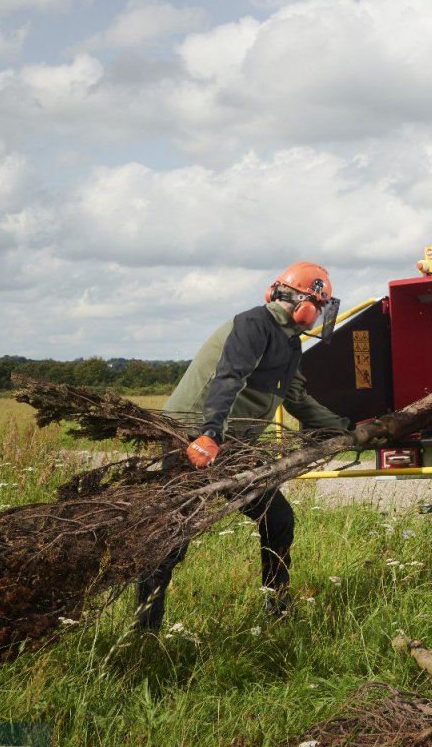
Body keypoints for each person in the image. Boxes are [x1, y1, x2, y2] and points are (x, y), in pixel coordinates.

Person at [135, 261, 351, 630]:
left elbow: (296, 398)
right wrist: (210, 435)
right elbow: (227, 379)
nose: (319, 315)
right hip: (192, 440)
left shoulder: (288, 342)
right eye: (321, 304)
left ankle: (277, 608)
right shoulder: (253, 325)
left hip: (232, 447)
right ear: (304, 301)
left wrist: (348, 428)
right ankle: (145, 631)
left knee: (278, 517)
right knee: (173, 537)